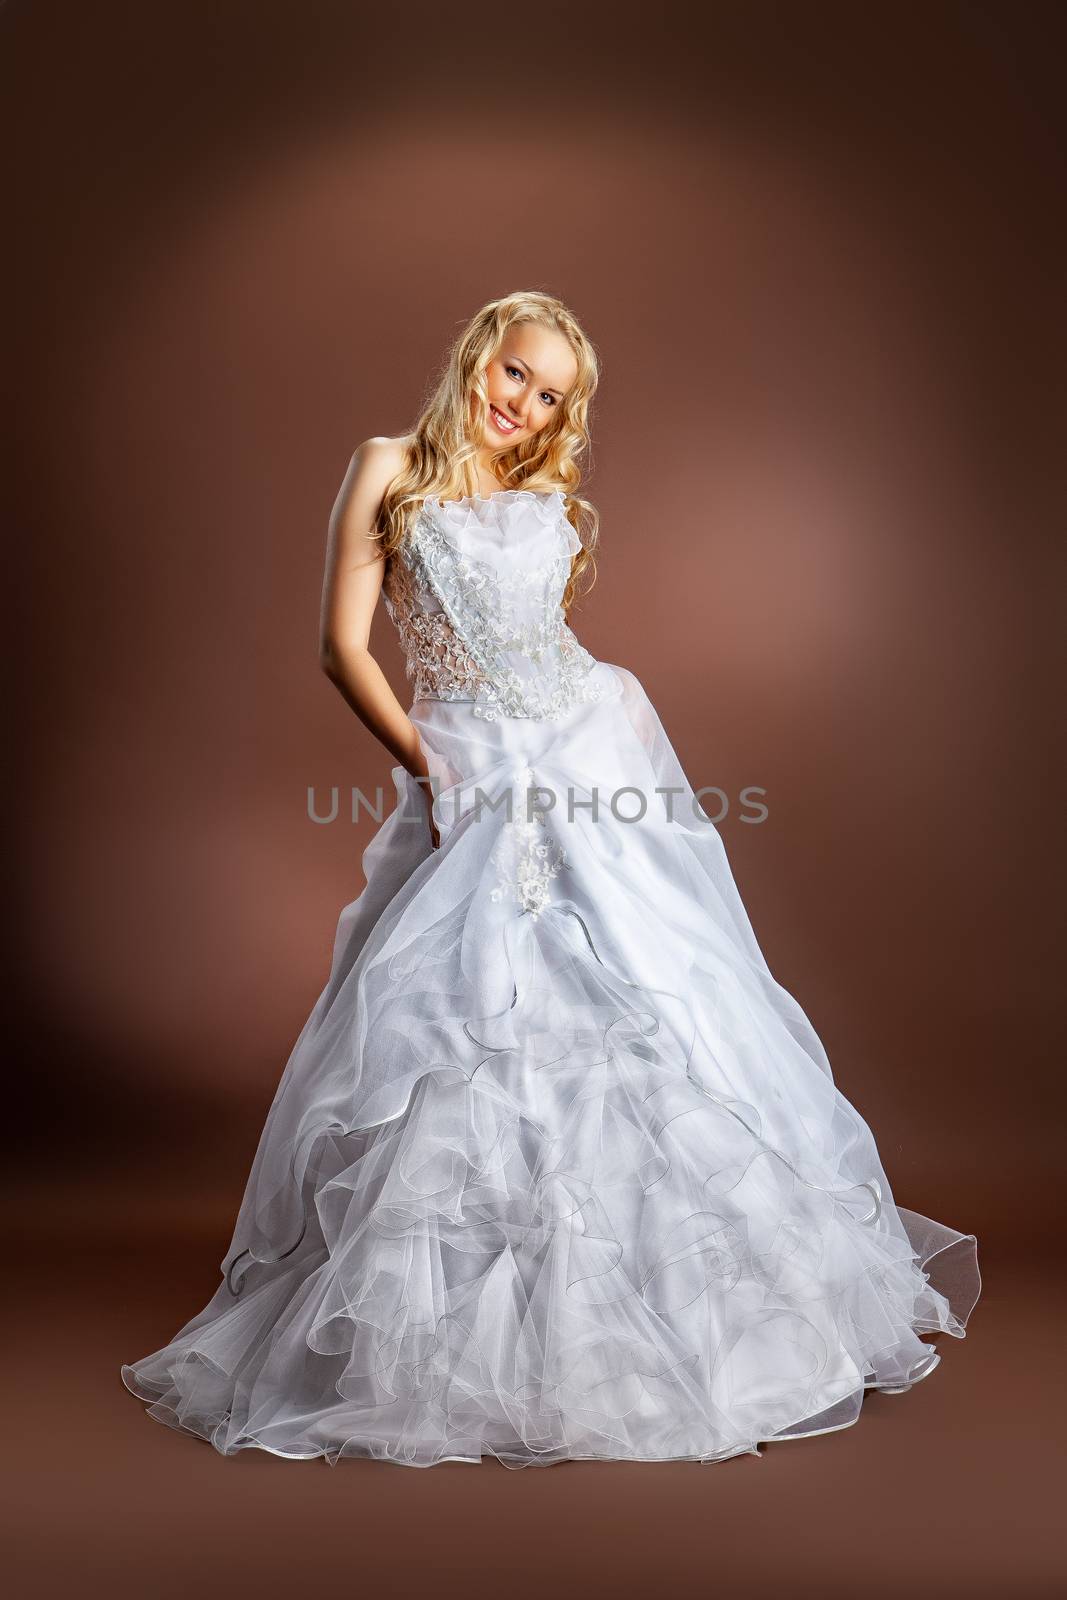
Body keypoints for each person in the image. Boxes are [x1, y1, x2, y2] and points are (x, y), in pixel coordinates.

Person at [120, 289, 980, 1468]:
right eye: (513, 374)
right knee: (456, 1020)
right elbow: (340, 644)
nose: (520, 406)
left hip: (585, 748)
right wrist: (431, 764)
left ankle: (668, 1320)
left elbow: (544, 651)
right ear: (478, 352)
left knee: (646, 1001)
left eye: (549, 396)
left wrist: (586, 737)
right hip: (468, 759)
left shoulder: (546, 504)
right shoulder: (384, 467)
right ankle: (459, 1332)